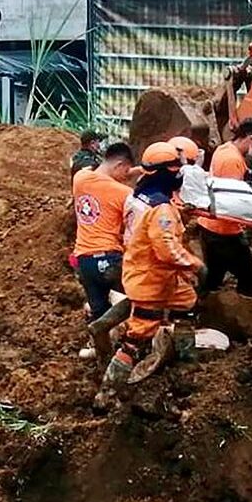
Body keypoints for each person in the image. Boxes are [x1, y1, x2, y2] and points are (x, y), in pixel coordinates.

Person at [97, 142, 205, 403]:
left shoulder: (140, 196)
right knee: (138, 335)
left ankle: (186, 366)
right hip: (151, 279)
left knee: (186, 303)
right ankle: (107, 393)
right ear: (164, 173)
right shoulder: (161, 208)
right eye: (175, 169)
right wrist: (195, 265)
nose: (179, 173)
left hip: (153, 273)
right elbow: (166, 247)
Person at [195, 118, 252, 297]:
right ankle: (242, 315)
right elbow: (234, 199)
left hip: (211, 226)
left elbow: (247, 176)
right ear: (250, 137)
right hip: (224, 230)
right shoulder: (231, 159)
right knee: (248, 277)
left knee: (214, 276)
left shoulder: (226, 149)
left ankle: (199, 310)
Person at [72, 142, 135, 330]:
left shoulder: (80, 179)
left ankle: (101, 349)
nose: (126, 177)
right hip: (110, 259)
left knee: (98, 309)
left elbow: (99, 171)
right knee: (141, 298)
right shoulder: (124, 193)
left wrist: (132, 169)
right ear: (120, 165)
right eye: (126, 172)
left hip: (83, 261)